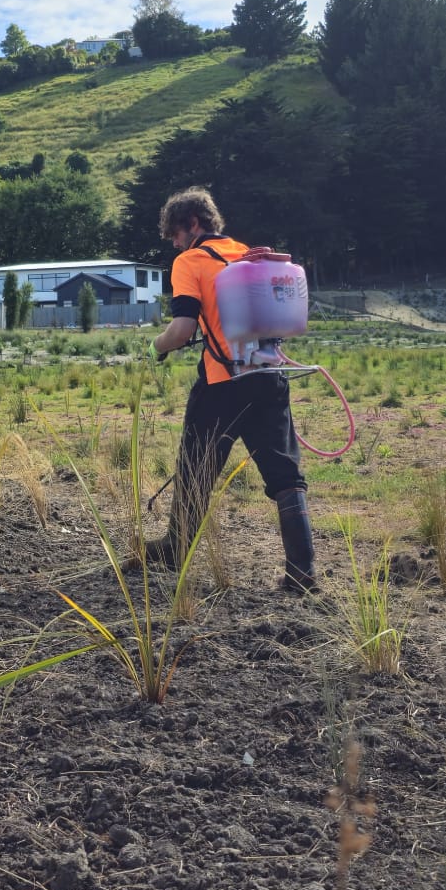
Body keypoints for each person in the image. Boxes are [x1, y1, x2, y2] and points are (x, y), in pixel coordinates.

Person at [143, 186, 315, 593]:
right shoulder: (249, 254)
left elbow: (183, 329)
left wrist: (157, 346)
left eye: (175, 234)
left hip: (222, 384)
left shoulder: (191, 261)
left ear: (193, 225)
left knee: (195, 469)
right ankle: (303, 572)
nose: (174, 242)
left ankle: (175, 548)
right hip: (270, 377)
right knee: (286, 476)